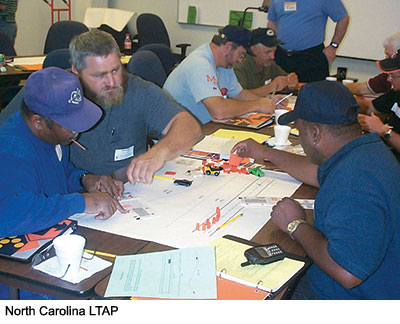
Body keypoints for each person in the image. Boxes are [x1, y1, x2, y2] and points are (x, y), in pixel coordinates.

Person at [232, 81, 400, 299]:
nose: (300, 137)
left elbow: (347, 272)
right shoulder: (365, 151)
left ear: (315, 134)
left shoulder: (353, 185)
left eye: (299, 131)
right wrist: (264, 152)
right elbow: (316, 173)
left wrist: (295, 225)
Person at [1, 30, 202, 185]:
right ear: (75, 72)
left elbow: (189, 127)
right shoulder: (50, 91)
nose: (112, 81)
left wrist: (158, 153)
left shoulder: (137, 89)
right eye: (99, 75)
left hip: (132, 191)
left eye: (116, 70)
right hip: (73, 194)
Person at [0, 67, 127, 237]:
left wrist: (84, 179)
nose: (77, 130)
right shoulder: (10, 150)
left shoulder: (54, 136)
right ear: (38, 121)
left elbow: (55, 174)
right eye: (70, 123)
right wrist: (81, 202)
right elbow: (9, 216)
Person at [163, 25, 285, 125]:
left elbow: (239, 94)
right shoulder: (199, 64)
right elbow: (219, 110)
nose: (241, 60)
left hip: (201, 126)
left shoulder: (224, 64)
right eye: (241, 54)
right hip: (176, 133)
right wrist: (258, 105)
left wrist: (268, 101)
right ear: (228, 48)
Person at [267, 0, 349, 82]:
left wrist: (333, 47)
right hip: (281, 56)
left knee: (314, 92)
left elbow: (343, 19)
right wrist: (269, 47)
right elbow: (272, 22)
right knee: (279, 91)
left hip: (310, 57)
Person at [234, 27, 298, 97]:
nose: (272, 57)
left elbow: (284, 83)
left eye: (274, 51)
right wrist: (270, 87)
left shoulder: (269, 64)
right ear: (253, 50)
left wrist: (291, 85)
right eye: (267, 52)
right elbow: (238, 97)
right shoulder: (239, 66)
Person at [358, 50, 400, 154]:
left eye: (392, 76)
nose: (388, 79)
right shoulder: (396, 92)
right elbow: (370, 108)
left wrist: (384, 131)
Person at [345, 32, 400, 97]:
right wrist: (335, 88)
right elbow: (361, 89)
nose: (385, 59)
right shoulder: (386, 76)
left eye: (389, 55)